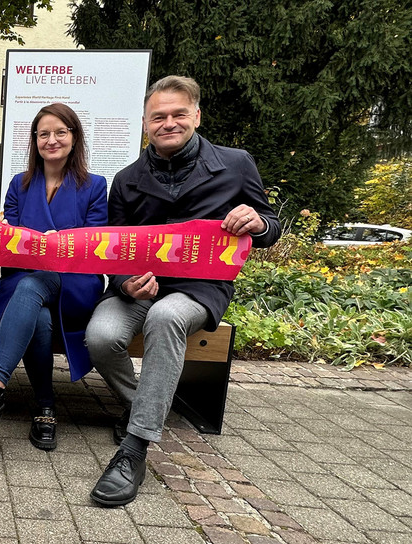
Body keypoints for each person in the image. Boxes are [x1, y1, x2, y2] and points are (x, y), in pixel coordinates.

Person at [86, 75, 281, 506]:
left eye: (177, 114)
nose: (168, 123)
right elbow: (112, 250)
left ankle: (133, 450)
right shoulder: (126, 178)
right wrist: (124, 282)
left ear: (196, 115)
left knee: (166, 317)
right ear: (145, 124)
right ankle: (144, 406)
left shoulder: (235, 163)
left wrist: (259, 222)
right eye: (158, 116)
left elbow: (271, 228)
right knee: (100, 337)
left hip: (199, 288)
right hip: (138, 288)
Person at [0, 103, 108, 451]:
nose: (51, 140)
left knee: (32, 284)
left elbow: (93, 245)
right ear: (35, 141)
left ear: (74, 137)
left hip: (74, 281)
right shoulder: (18, 185)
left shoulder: (95, 186)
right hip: (22, 278)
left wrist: (57, 244)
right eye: (43, 134)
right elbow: (7, 240)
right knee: (35, 309)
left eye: (60, 132)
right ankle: (46, 406)